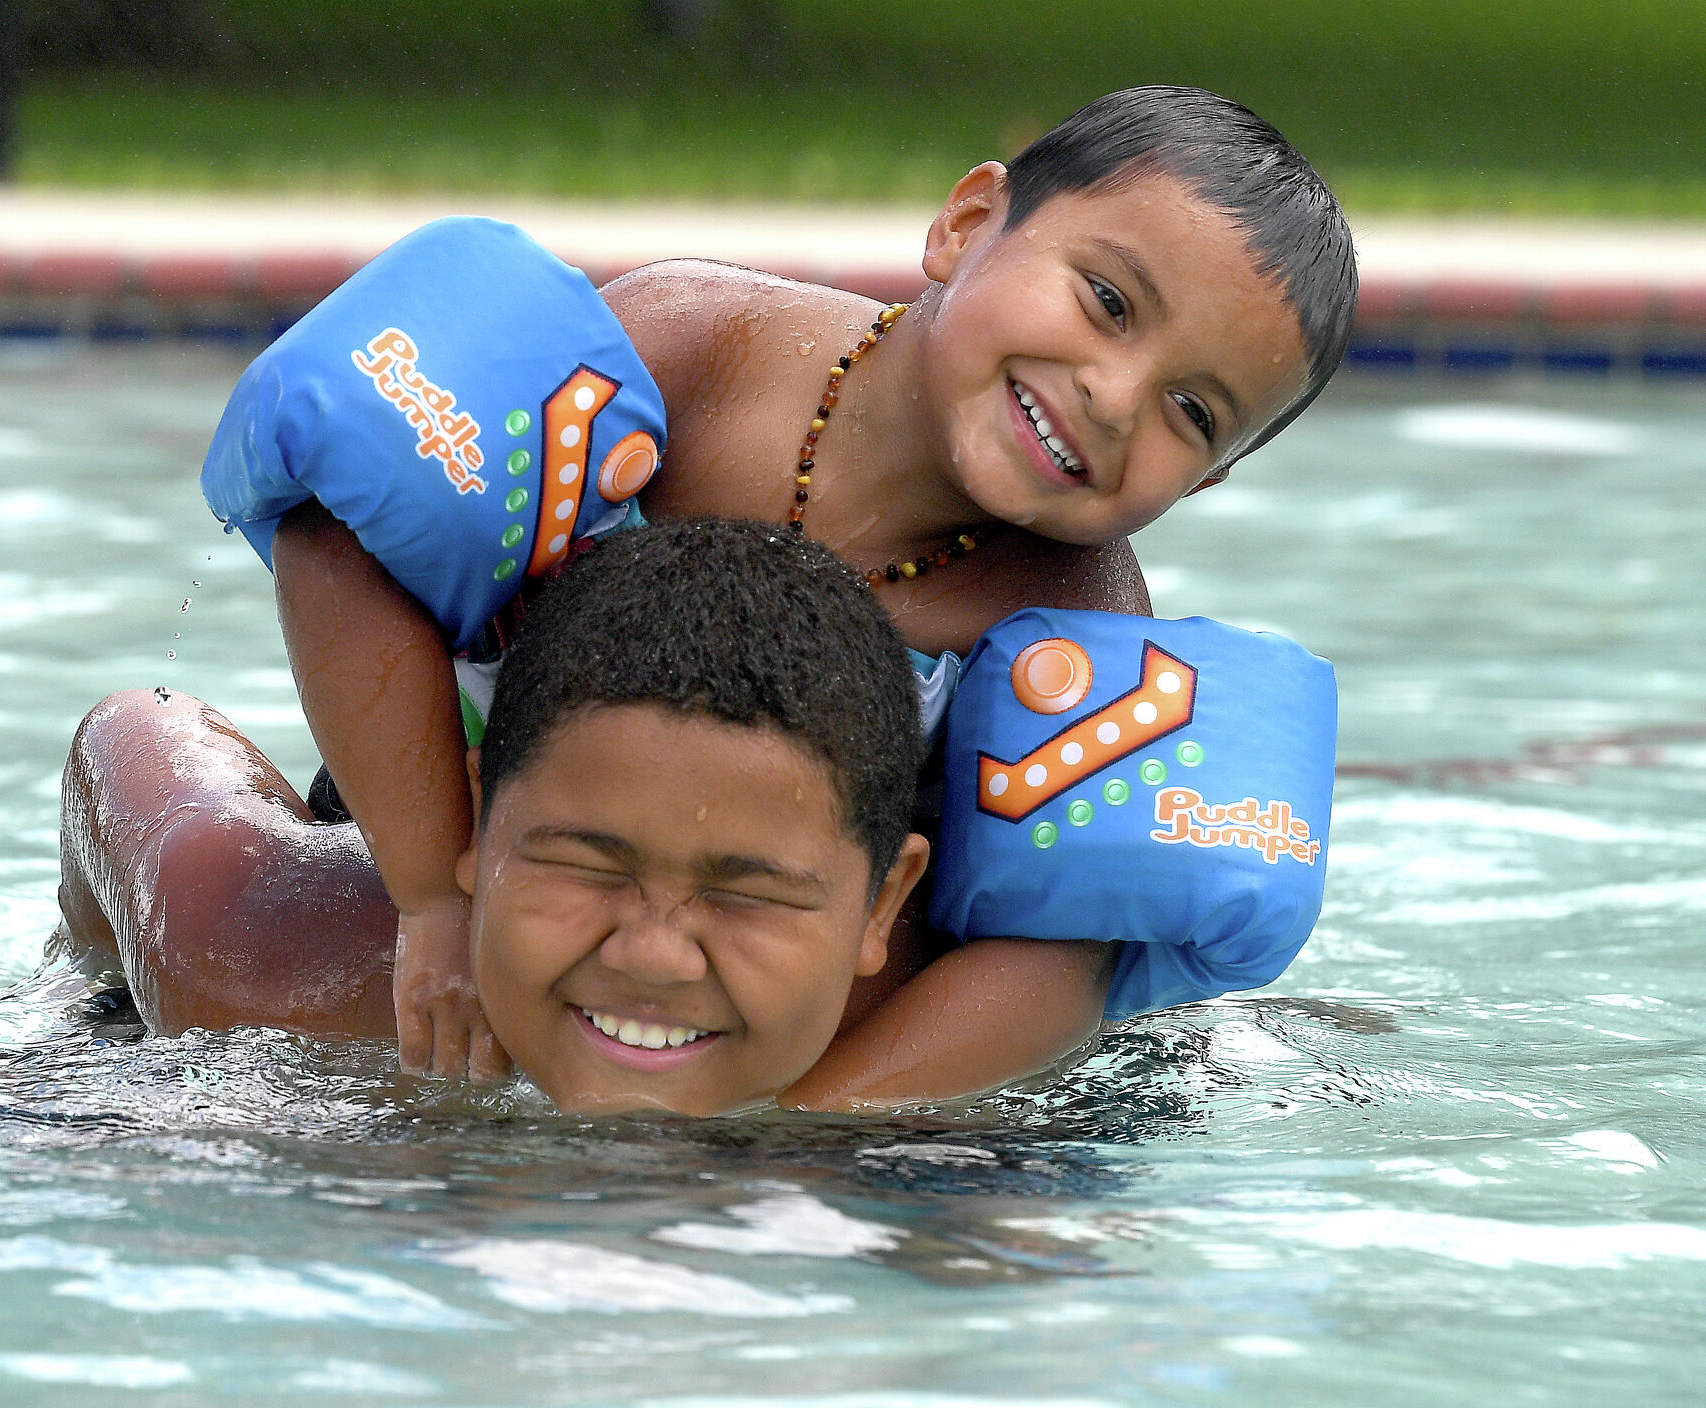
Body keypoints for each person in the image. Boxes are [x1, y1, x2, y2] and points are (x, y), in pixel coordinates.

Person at [201, 85, 1356, 1096]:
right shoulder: (688, 350)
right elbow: (344, 532)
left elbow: (1057, 953)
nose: (1113, 394)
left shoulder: (1075, 626)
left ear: (1211, 478)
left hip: (749, 991)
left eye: (1190, 413)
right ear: (964, 223)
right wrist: (432, 897)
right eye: (1106, 301)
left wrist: (806, 1138)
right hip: (454, 835)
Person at [53, 519, 983, 1115]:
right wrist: (84, 1015)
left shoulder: (964, 1071)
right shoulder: (271, 970)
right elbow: (138, 729)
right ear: (472, 822)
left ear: (882, 904)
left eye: (745, 895)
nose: (652, 957)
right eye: (589, 867)